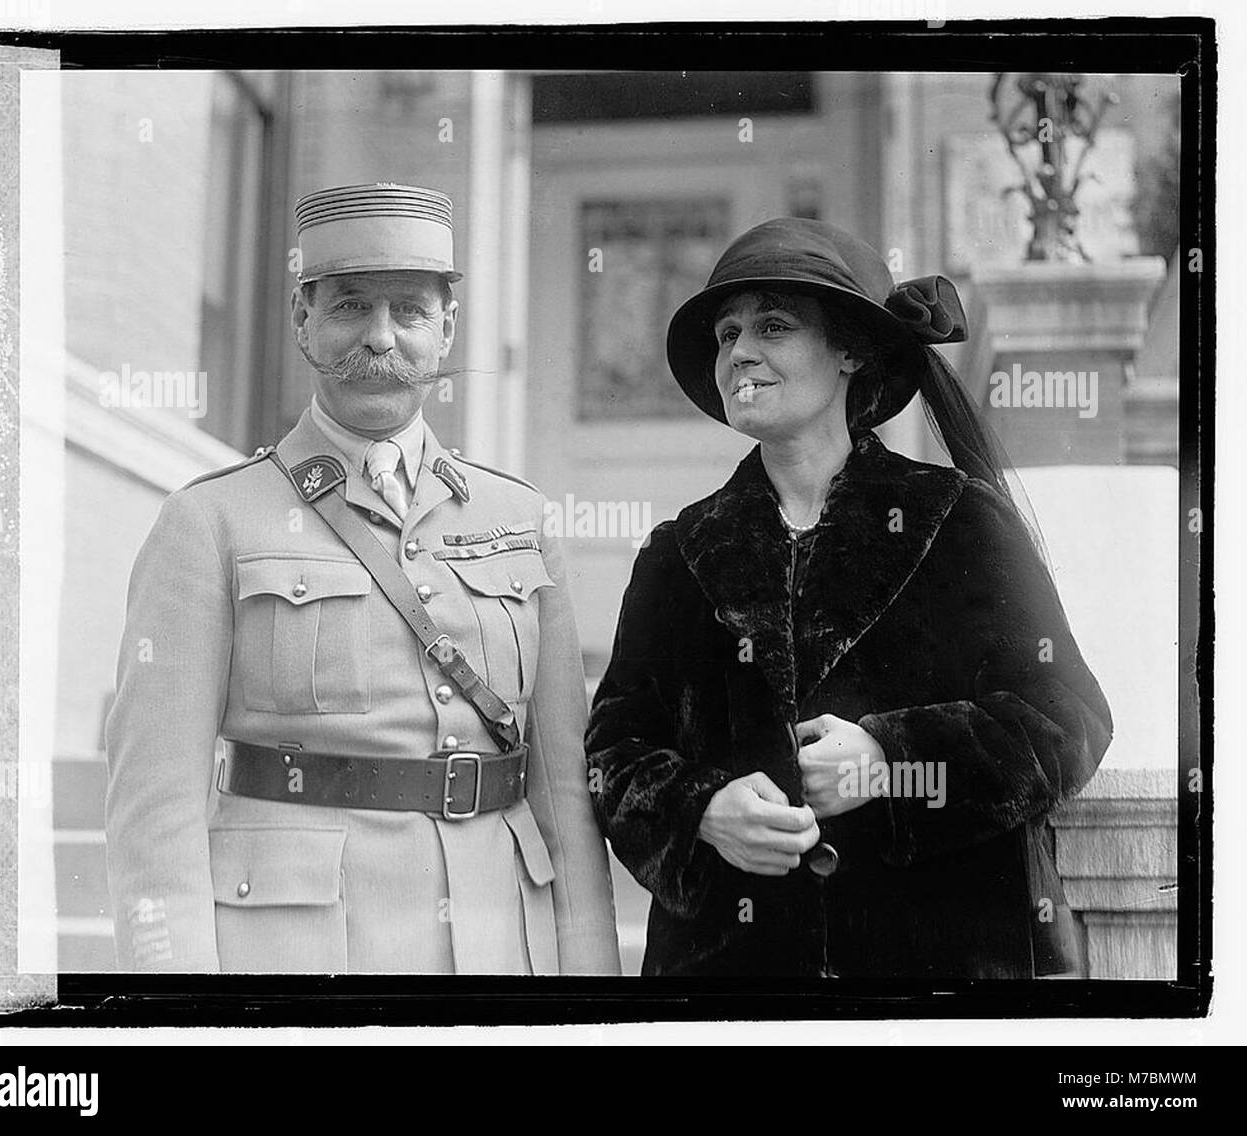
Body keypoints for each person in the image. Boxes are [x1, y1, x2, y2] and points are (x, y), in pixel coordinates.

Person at [105, 182, 620, 975]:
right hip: (299, 956)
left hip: (501, 946)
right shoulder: (210, 523)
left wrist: (591, 993)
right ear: (302, 320)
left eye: (410, 311)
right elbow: (155, 809)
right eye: (349, 307)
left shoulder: (520, 518)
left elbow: (563, 791)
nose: (379, 339)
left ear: (446, 329)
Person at [585, 218, 1113, 979]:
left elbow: (1067, 717)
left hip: (937, 974)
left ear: (851, 352)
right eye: (728, 333)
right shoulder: (679, 550)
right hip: (729, 982)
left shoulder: (958, 521)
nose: (740, 352)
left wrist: (890, 761)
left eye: (773, 326)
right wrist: (700, 810)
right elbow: (614, 754)